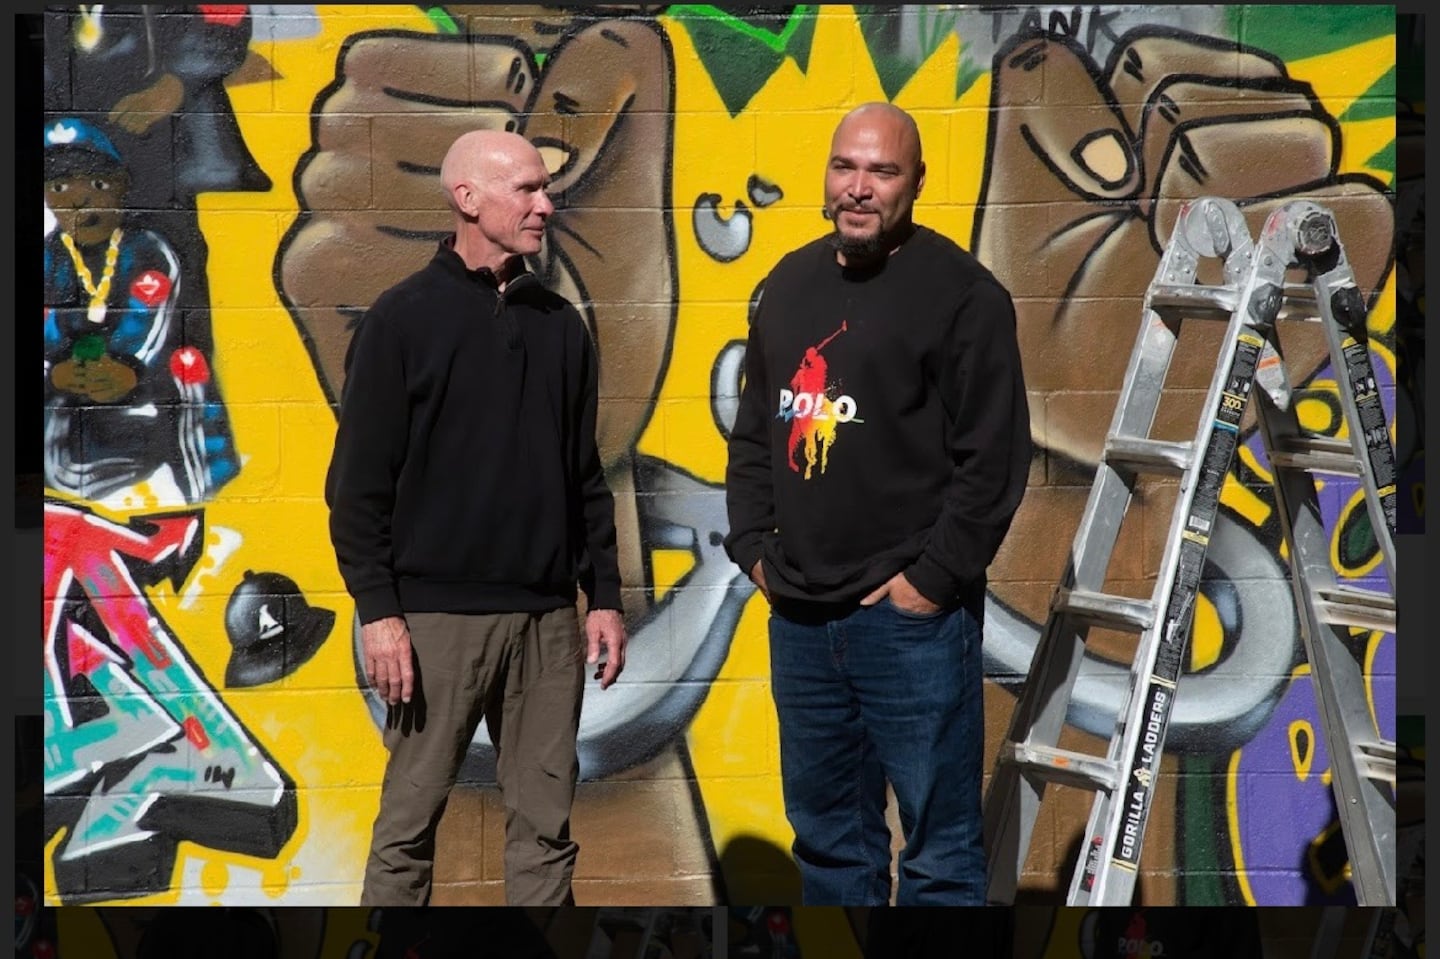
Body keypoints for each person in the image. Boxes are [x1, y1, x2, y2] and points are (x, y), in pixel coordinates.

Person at [723, 102, 1031, 906]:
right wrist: (754, 549)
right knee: (828, 851)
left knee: (939, 854)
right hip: (798, 616)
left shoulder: (964, 297)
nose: (858, 188)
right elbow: (755, 432)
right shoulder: (788, 284)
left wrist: (927, 584)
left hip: (908, 626)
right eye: (845, 167)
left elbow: (992, 463)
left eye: (881, 171)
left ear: (916, 182)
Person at [325, 129, 628, 907]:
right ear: (468, 198)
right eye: (526, 189)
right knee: (408, 828)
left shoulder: (561, 325)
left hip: (545, 621)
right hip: (435, 623)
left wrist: (606, 597)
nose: (545, 204)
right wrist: (380, 612)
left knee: (547, 832)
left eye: (543, 189)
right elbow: (356, 486)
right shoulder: (401, 320)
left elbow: (582, 474)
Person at [43, 116, 240, 506]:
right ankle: (60, 489)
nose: (79, 199)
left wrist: (125, 366)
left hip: (146, 388)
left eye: (97, 184)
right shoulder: (51, 256)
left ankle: (201, 488)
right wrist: (59, 370)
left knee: (188, 363)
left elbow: (147, 321)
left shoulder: (147, 248)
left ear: (121, 187)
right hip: (77, 391)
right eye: (60, 187)